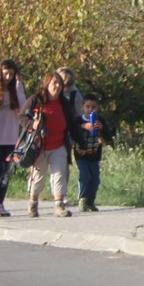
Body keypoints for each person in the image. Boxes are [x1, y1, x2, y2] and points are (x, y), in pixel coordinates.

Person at [24, 71, 84, 218]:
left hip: (59, 145)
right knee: (38, 177)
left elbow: (72, 124)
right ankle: (33, 203)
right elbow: (21, 116)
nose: (57, 86)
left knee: (59, 175)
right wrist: (32, 124)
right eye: (54, 83)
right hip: (40, 146)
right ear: (47, 84)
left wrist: (81, 142)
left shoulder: (64, 103)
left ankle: (59, 205)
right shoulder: (36, 100)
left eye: (59, 84)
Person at [0, 59, 26, 216]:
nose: (8, 77)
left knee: (7, 171)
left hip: (10, 138)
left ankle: (0, 204)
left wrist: (19, 88)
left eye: (11, 74)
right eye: (5, 73)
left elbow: (23, 108)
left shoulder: (15, 91)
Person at [74, 95, 113, 211]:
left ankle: (90, 201)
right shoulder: (78, 120)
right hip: (81, 155)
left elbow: (109, 137)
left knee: (95, 179)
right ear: (82, 107)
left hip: (95, 155)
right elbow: (71, 131)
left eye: (93, 107)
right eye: (88, 107)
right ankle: (82, 199)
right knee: (85, 176)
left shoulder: (100, 120)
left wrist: (102, 128)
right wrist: (83, 126)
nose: (90, 109)